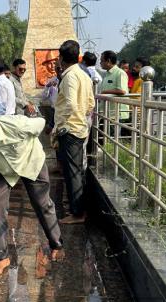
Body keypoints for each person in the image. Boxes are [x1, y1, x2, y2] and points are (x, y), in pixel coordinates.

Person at [0, 108, 63, 277]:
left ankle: (57, 244)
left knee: (42, 204)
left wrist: (33, 139)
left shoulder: (17, 124)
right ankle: (1, 258)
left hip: (31, 161)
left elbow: (40, 123)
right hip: (2, 168)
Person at [54, 40, 95, 224]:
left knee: (73, 172)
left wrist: (59, 127)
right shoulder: (84, 74)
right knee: (76, 170)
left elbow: (69, 104)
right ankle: (78, 208)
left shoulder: (69, 76)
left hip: (70, 129)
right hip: (79, 128)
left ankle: (77, 213)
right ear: (78, 56)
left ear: (61, 57)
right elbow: (91, 103)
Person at [100, 51, 129, 137]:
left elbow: (122, 91)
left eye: (101, 61)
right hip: (107, 112)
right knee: (106, 137)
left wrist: (104, 93)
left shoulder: (120, 73)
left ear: (108, 61)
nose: (100, 63)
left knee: (113, 139)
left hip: (116, 114)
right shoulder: (106, 74)